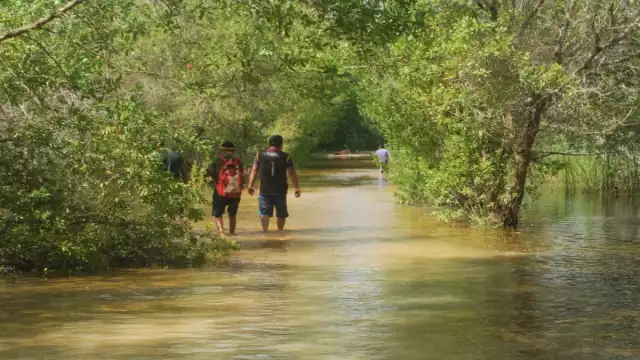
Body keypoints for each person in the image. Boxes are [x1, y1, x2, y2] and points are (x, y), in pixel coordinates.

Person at [247, 135, 301, 232]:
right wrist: (297, 187)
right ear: (281, 145)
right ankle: (280, 232)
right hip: (280, 191)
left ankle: (265, 233)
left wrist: (250, 185)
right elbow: (291, 172)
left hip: (264, 190)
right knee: (281, 213)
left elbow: (254, 170)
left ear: (269, 144)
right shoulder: (286, 156)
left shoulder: (259, 155)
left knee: (264, 212)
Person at [206, 141, 244, 235]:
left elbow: (209, 175)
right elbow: (242, 176)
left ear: (222, 150)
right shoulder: (238, 161)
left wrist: (214, 186)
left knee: (218, 214)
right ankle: (232, 233)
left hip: (220, 192)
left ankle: (221, 233)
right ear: (233, 151)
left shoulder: (216, 161)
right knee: (232, 214)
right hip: (235, 193)